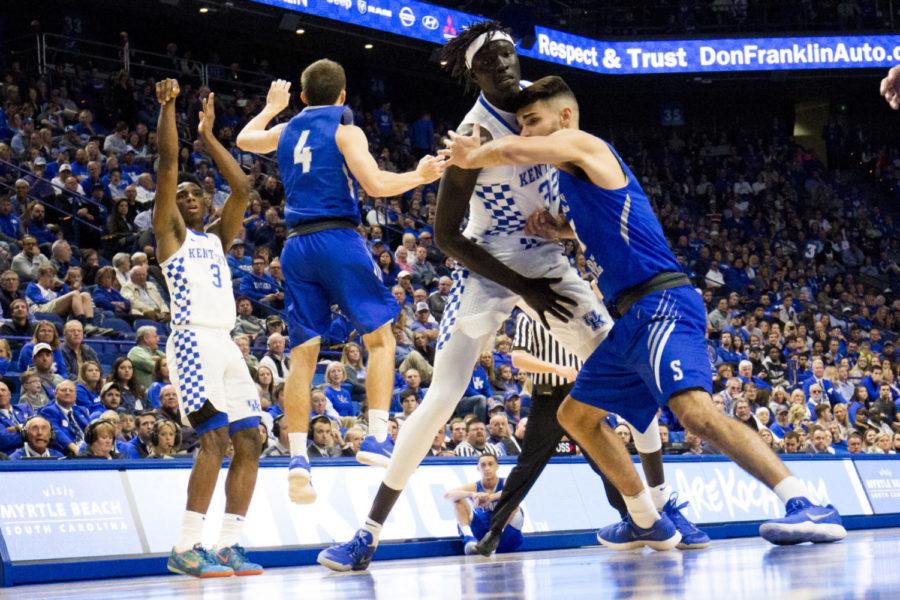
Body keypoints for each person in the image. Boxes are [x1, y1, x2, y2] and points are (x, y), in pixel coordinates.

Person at [440, 73, 846, 547]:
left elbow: (512, 152)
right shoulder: (578, 178)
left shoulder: (586, 144)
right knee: (576, 417)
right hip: (630, 317)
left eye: (532, 122)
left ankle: (807, 504)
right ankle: (644, 517)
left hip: (661, 301)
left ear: (565, 117)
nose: (526, 132)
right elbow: (615, 226)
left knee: (694, 412)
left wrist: (474, 155)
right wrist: (563, 233)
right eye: (522, 124)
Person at [318, 23, 615, 572]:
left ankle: (655, 511)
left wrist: (571, 233)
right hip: (486, 267)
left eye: (509, 55)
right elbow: (446, 237)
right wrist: (522, 286)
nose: (504, 65)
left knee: (619, 361)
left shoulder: (544, 107)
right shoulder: (469, 136)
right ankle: (367, 532)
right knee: (442, 396)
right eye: (491, 61)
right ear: (473, 73)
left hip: (547, 258)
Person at [235, 62, 444, 503]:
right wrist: (419, 176)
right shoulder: (347, 131)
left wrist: (272, 107)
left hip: (295, 247)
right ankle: (375, 436)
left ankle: (296, 460)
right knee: (381, 340)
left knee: (302, 354)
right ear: (343, 97)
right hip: (337, 238)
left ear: (304, 98)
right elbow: (376, 185)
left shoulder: (287, 128)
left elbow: (243, 140)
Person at [472, 311, 707, 556]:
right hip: (547, 397)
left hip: (580, 394)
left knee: (604, 463)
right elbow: (518, 358)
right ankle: (494, 531)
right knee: (526, 467)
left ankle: (635, 519)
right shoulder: (526, 318)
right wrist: (559, 368)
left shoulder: (573, 306)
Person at [153, 80, 263, 578]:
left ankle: (228, 545)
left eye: (198, 192)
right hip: (193, 340)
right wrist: (171, 108)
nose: (191, 197)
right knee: (214, 441)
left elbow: (242, 188)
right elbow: (167, 165)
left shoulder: (217, 236)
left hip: (226, 342)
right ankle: (186, 545)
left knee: (251, 441)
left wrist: (209, 135)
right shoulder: (169, 233)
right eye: (183, 195)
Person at [444, 454, 523, 555]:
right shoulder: (474, 487)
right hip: (483, 532)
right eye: (483, 465)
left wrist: (491, 497)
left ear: (497, 466)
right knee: (457, 500)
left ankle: (494, 538)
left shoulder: (505, 482)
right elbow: (447, 495)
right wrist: (472, 494)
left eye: (490, 464)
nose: (487, 468)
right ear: (478, 468)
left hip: (507, 534)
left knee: (513, 502)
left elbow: (516, 491)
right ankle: (470, 539)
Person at [127, 325, 165, 391]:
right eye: (155, 337)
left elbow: (172, 363)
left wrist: (158, 359)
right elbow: (154, 367)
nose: (158, 339)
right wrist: (161, 362)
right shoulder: (135, 351)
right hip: (142, 395)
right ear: (146, 339)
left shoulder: (157, 352)